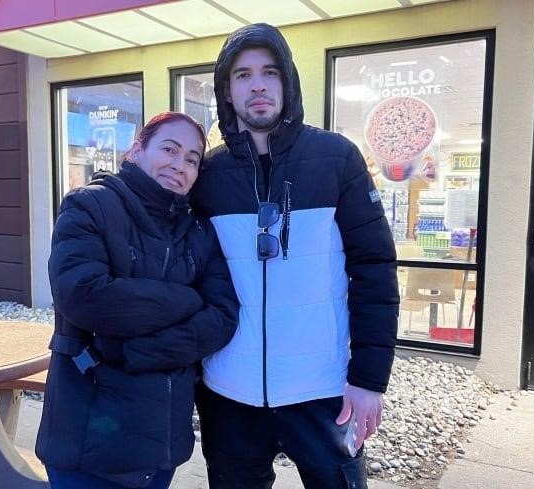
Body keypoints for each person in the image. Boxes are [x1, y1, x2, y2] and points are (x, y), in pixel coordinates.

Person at [190, 23, 399, 488]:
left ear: (288, 81)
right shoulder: (207, 174)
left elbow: (374, 272)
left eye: (269, 72)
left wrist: (369, 380)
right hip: (229, 392)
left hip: (323, 390)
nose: (258, 84)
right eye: (242, 75)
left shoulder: (336, 158)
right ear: (227, 91)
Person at [36, 112, 239, 489]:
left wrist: (134, 352)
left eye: (192, 159)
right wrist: (190, 299)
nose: (180, 165)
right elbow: (84, 296)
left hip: (161, 447)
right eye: (169, 149)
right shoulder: (89, 206)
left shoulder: (198, 231)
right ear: (136, 151)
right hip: (87, 447)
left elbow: (223, 317)